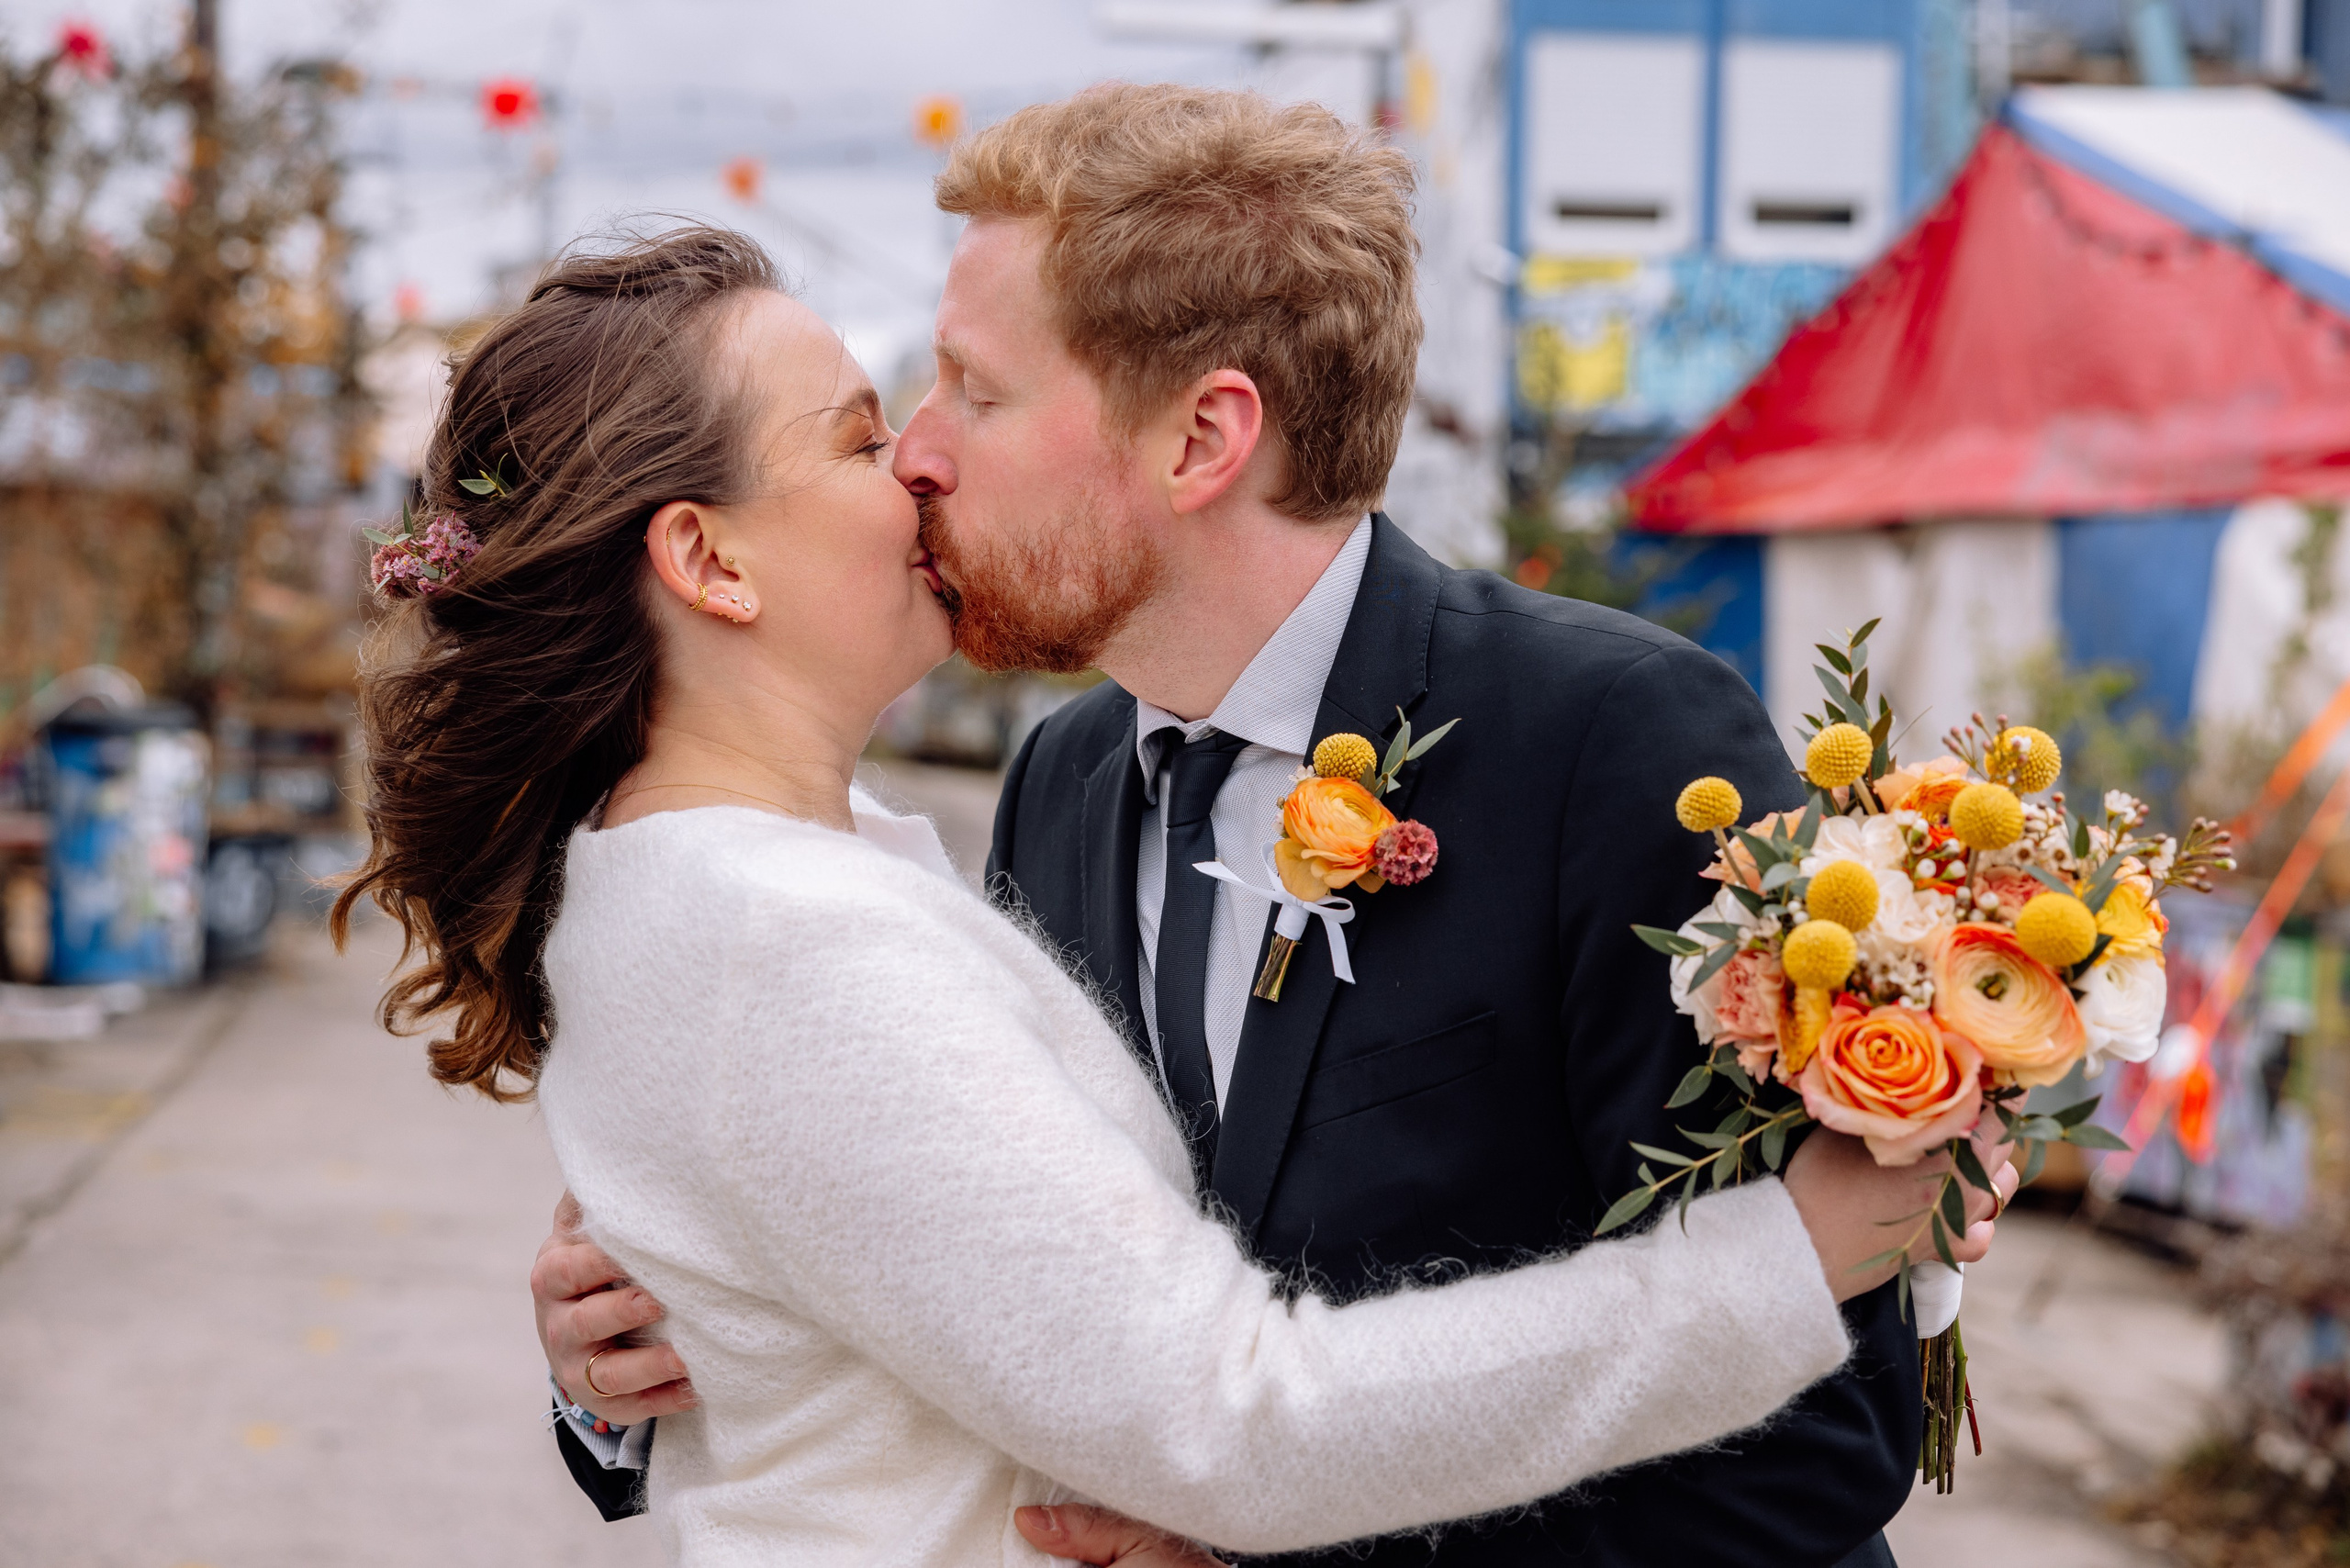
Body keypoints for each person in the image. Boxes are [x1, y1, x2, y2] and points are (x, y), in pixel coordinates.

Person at [488, 92, 2012, 1564]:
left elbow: (1815, 1438)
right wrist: (675, 1328)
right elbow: (1031, 1315)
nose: (922, 460)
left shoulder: (1616, 747)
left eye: (976, 390)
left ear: (1203, 440)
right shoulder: (1063, 788)